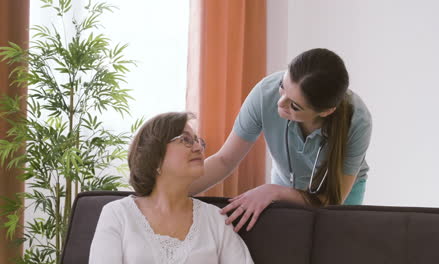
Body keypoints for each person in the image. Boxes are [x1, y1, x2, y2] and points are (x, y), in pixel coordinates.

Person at [189, 48, 372, 232]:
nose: (280, 103)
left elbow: (333, 198)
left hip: (337, 193)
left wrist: (273, 191)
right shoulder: (265, 93)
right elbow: (224, 160)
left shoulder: (357, 121)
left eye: (294, 106)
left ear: (325, 112)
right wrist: (170, 192)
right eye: (282, 87)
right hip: (284, 182)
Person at [89, 112, 254, 264]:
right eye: (185, 140)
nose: (198, 148)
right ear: (155, 155)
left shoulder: (215, 219)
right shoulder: (118, 214)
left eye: (198, 141)